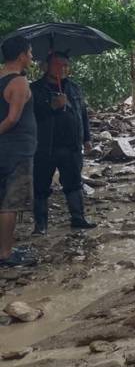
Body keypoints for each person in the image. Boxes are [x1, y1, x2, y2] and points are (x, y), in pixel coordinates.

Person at [31, 52, 96, 233]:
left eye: (66, 65)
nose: (63, 68)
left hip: (71, 146)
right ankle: (41, 225)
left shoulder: (74, 88)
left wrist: (87, 138)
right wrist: (52, 105)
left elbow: (82, 114)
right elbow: (30, 116)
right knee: (40, 186)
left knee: (74, 184)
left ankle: (78, 217)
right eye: (58, 65)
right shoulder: (35, 89)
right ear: (46, 66)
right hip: (45, 147)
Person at [0, 35, 37, 267]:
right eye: (31, 53)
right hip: (16, 150)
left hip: (4, 149)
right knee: (10, 203)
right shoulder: (20, 83)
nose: (32, 57)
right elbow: (12, 119)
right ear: (22, 55)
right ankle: (5, 253)